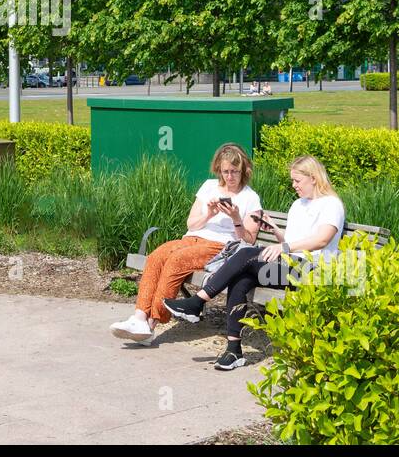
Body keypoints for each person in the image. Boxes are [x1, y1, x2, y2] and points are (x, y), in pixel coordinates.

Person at [164, 155, 345, 370]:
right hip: (289, 264)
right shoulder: (298, 204)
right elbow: (292, 239)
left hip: (312, 270)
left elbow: (321, 240)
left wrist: (284, 248)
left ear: (314, 178)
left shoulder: (331, 204)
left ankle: (197, 302)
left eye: (297, 181)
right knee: (242, 276)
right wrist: (275, 230)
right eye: (293, 180)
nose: (293, 185)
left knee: (246, 253)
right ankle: (233, 351)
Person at [110, 143, 264, 346]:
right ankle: (139, 318)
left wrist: (236, 217)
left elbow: (249, 240)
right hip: (192, 238)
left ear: (244, 170)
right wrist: (209, 213)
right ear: (219, 169)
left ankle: (151, 324)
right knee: (157, 255)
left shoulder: (250, 198)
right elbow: (191, 223)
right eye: (225, 171)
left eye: (234, 171)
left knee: (177, 261)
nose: (229, 176)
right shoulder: (209, 186)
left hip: (220, 247)